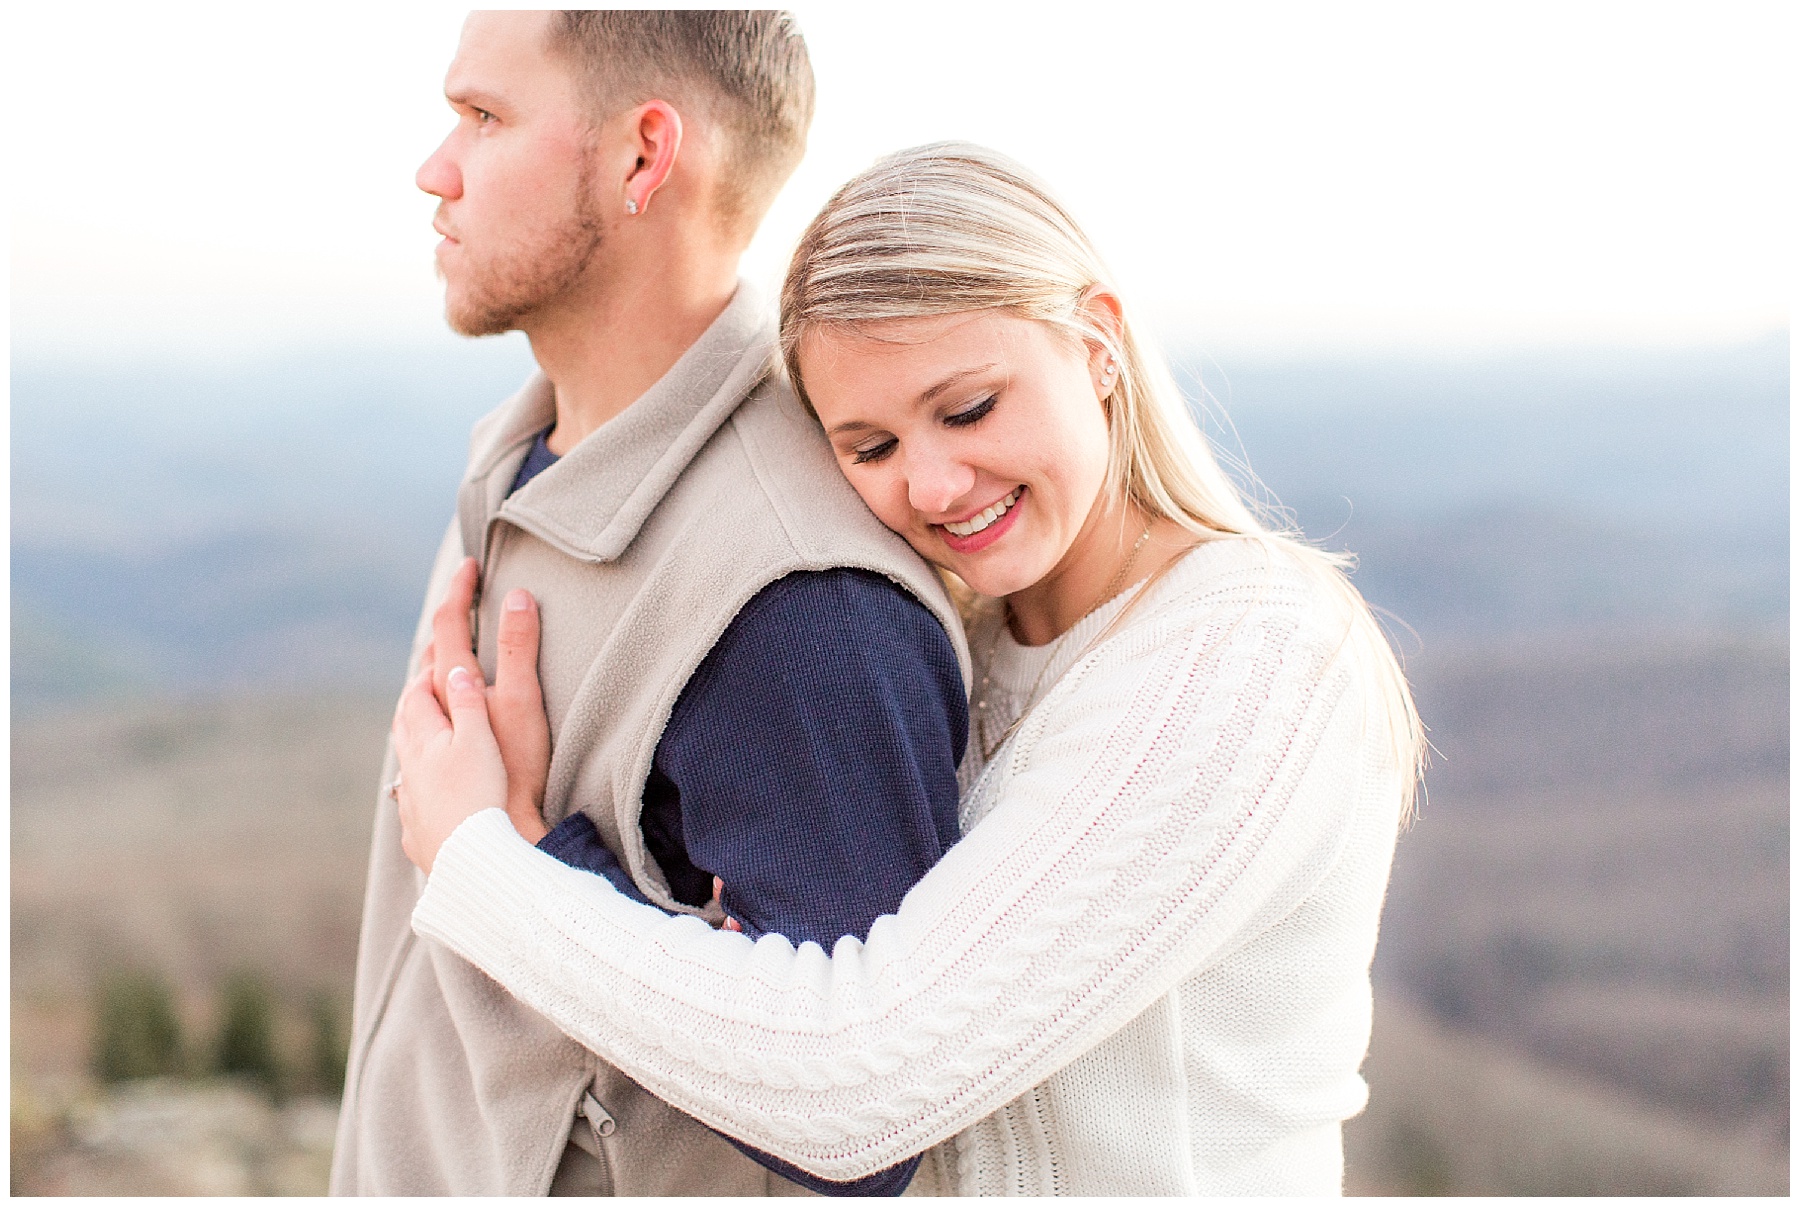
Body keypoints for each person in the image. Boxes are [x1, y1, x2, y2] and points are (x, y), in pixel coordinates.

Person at [391, 142, 1427, 1195]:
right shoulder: (963, 651)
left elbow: (853, 1092)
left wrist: (486, 862)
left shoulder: (1245, 658)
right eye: (869, 446)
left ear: (1098, 342)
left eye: (969, 408)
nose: (934, 484)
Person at [333, 13, 972, 1197]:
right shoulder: (526, 456)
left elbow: (863, 1135)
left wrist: (518, 862)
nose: (436, 166)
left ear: (642, 156)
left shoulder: (797, 603)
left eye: (483, 117)